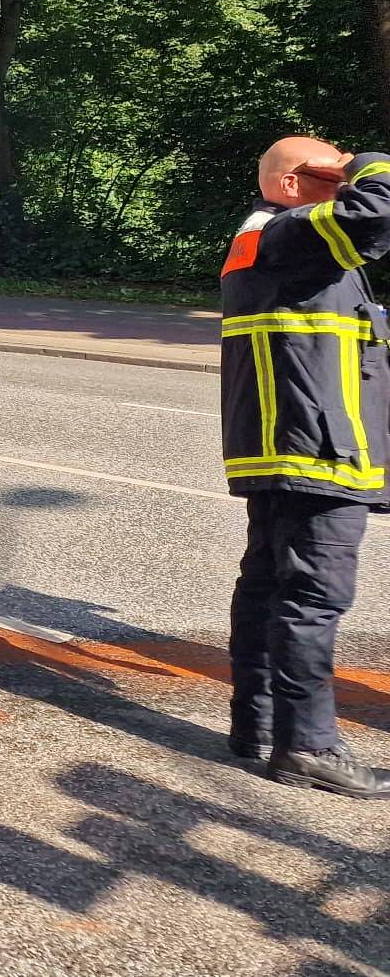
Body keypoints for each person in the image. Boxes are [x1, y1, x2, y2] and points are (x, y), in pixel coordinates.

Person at [221, 134, 390, 798]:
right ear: (293, 182)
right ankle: (309, 745)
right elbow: (376, 212)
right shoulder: (289, 232)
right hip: (317, 452)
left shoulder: (281, 243)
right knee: (312, 598)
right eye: (329, 173)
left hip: (299, 446)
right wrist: (369, 162)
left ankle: (259, 727)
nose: (342, 182)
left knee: (269, 587)